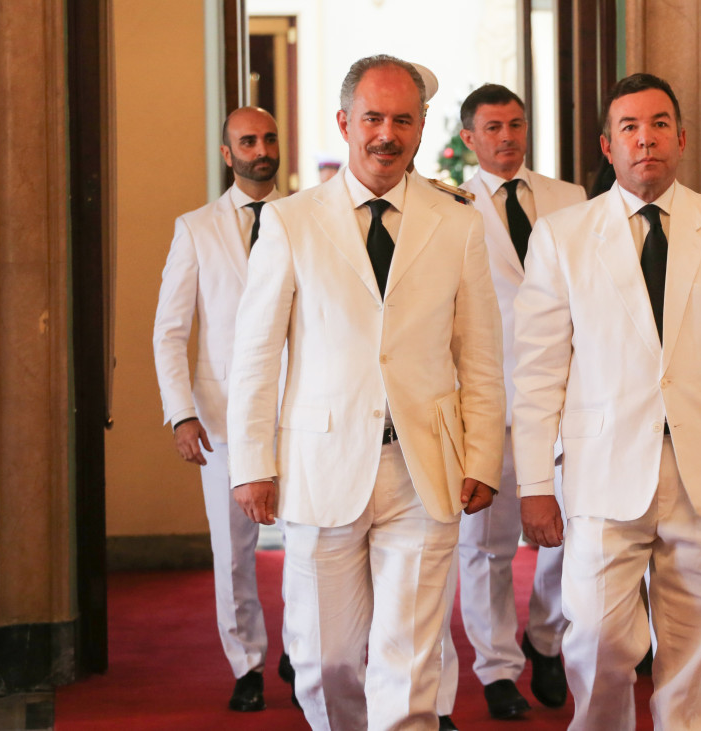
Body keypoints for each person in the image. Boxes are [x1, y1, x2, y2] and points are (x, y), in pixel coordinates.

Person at [226, 55, 506, 731]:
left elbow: (480, 354)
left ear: (421, 126)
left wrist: (482, 456)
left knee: (409, 660)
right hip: (321, 467)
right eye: (373, 118)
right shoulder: (291, 221)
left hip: (423, 469)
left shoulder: (459, 222)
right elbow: (255, 354)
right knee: (325, 660)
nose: (387, 134)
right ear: (345, 123)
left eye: (402, 120)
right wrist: (251, 463)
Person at [512, 73, 701, 730]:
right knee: (597, 639)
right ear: (608, 146)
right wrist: (534, 483)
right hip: (601, 470)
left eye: (660, 124)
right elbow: (536, 372)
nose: (646, 139)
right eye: (630, 127)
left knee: (697, 643)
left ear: (681, 138)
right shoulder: (562, 235)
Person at [437, 83, 586, 723]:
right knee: (487, 544)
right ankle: (497, 667)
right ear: (468, 137)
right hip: (487, 398)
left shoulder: (570, 199)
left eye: (516, 124)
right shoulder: (448, 206)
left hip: (565, 396)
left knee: (569, 531)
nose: (507, 137)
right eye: (493, 127)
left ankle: (546, 638)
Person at [152, 105, 290, 713]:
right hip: (222, 414)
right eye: (248, 141)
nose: (261, 149)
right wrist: (182, 413)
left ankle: (304, 648)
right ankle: (247, 664)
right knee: (233, 550)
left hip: (300, 411)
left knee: (313, 543)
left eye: (269, 138)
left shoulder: (305, 218)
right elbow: (169, 331)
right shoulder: (196, 229)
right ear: (228, 153)